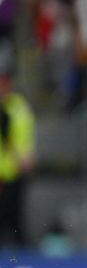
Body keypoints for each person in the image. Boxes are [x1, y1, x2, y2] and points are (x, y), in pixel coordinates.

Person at [0, 71, 35, 246]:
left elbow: (24, 141)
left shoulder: (18, 108)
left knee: (14, 222)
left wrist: (10, 140)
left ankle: (21, 260)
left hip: (12, 174)